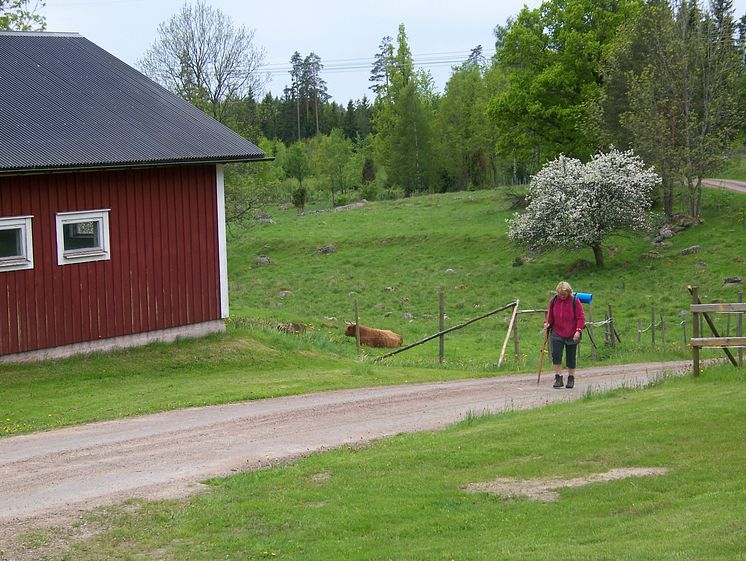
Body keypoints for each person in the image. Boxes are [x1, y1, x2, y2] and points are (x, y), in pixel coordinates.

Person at [543, 281, 586, 389]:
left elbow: (581, 318)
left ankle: (571, 378)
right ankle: (558, 377)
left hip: (572, 332)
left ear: (569, 292)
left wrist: (578, 330)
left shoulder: (575, 301)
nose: (562, 296)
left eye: (564, 294)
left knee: (570, 357)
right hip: (557, 332)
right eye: (560, 294)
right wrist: (547, 323)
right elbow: (550, 316)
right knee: (556, 354)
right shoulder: (553, 301)